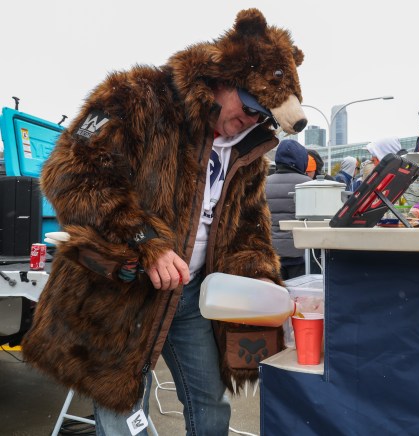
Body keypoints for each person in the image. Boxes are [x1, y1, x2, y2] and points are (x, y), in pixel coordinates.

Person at [22, 8, 307, 436]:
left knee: (211, 403)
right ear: (223, 77)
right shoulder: (135, 96)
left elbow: (249, 232)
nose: (251, 121)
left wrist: (261, 281)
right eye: (250, 107)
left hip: (192, 296)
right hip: (120, 289)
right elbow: (67, 175)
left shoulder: (248, 154)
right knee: (120, 409)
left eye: (263, 117)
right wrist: (146, 241)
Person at [266, 140, 311, 280]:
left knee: (274, 296)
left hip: (271, 252)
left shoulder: (263, 183)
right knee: (300, 296)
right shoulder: (308, 184)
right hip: (300, 252)